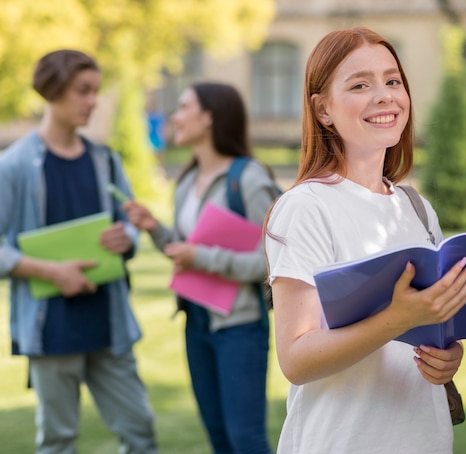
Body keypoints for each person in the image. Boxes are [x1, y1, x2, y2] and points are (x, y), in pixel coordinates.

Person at [263, 26, 466, 454]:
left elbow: (433, 332)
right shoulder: (307, 207)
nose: (385, 95)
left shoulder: (415, 208)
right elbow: (296, 359)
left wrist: (448, 358)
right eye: (361, 84)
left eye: (393, 81)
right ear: (322, 110)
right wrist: (397, 318)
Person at [0, 49, 157, 453]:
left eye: (96, 92)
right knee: (58, 441)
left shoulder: (105, 160)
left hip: (108, 322)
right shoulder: (14, 165)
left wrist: (128, 237)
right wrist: (53, 272)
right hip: (50, 328)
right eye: (83, 91)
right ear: (53, 91)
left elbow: (128, 224)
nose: (93, 101)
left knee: (140, 432)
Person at [123, 82, 279, 454]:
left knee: (246, 439)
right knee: (218, 438)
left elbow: (275, 263)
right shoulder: (187, 182)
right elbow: (184, 251)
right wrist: (155, 229)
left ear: (208, 118)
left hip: (240, 328)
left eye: (182, 107)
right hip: (196, 323)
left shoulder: (249, 179)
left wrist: (204, 258)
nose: (173, 116)